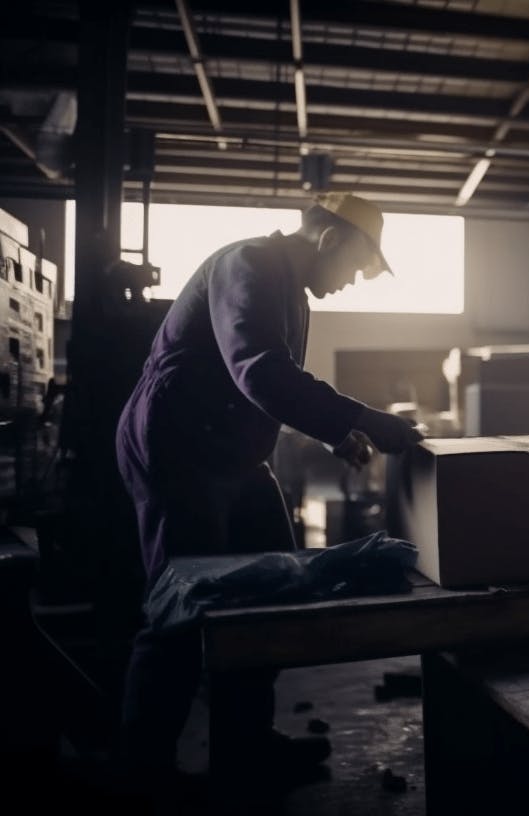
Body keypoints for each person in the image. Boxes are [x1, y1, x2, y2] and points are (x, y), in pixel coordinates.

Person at [114, 192, 424, 782]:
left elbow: (271, 382)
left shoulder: (290, 289)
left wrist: (335, 433)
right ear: (331, 240)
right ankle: (141, 768)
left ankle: (245, 744)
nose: (354, 282)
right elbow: (258, 368)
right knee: (182, 608)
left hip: (234, 457)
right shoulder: (250, 263)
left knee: (272, 593)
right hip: (181, 454)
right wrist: (366, 421)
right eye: (358, 267)